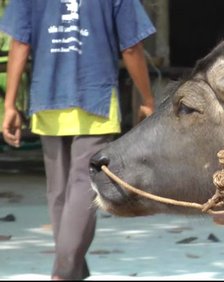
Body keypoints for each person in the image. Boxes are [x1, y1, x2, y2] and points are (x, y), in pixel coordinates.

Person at [0, 0, 156, 280]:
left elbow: (19, 44)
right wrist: (147, 98)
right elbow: (131, 47)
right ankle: (63, 272)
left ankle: (72, 271)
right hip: (94, 95)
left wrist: (10, 105)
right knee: (85, 184)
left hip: (47, 94)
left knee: (58, 189)